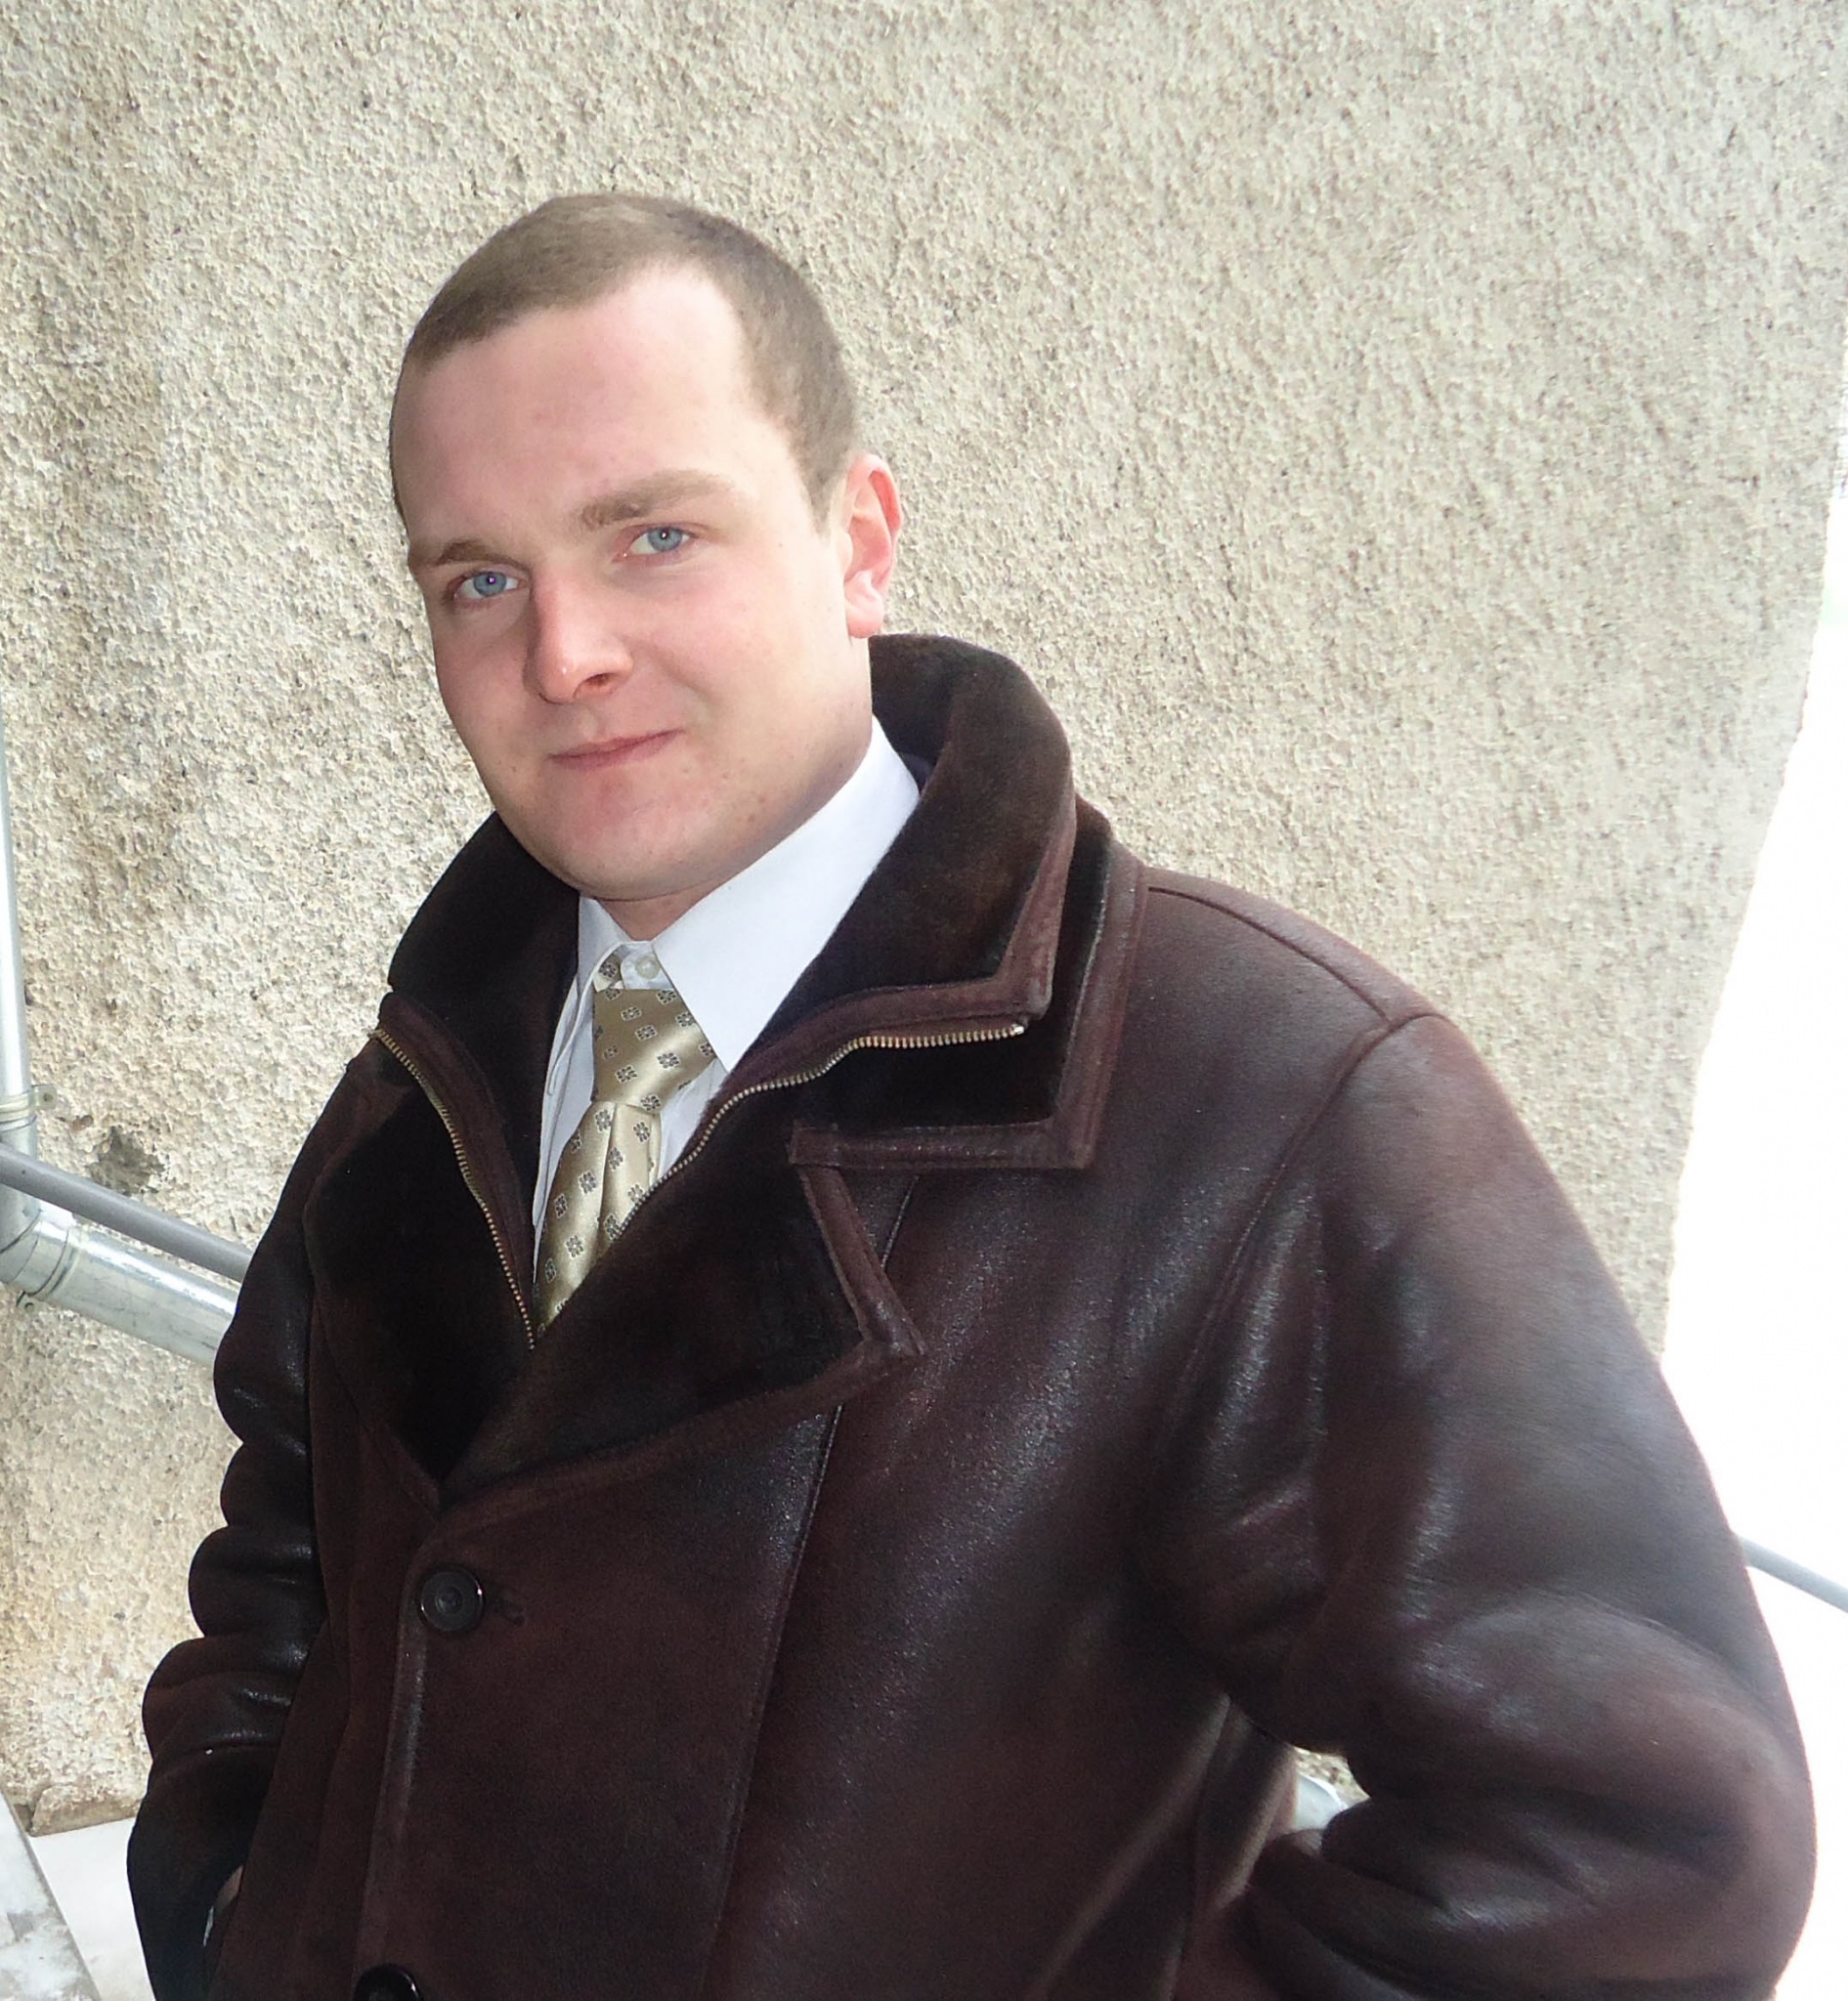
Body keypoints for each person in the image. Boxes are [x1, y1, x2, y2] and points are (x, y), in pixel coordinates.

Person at [129, 192, 1813, 2001]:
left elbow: (1633, 1845)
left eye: (654, 536)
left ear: (860, 543)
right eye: (480, 579)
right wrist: (227, 1907)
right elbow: (290, 1545)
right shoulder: (438, 1062)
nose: (565, 656)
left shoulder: (1262, 1098)